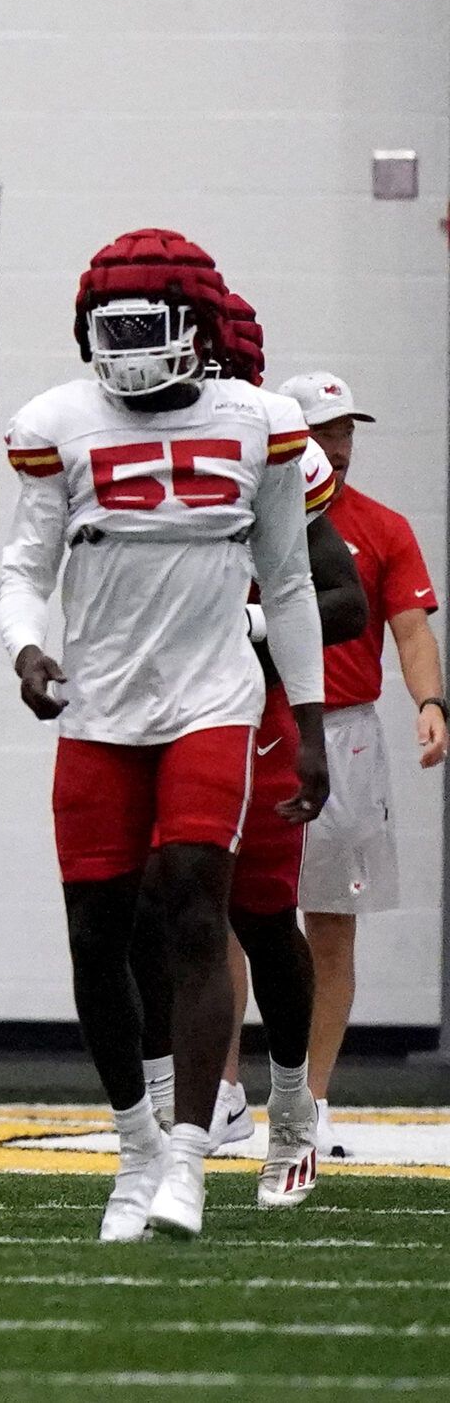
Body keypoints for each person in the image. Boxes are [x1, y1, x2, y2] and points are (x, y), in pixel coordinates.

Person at [0, 229, 327, 1242]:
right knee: (97, 934)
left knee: (192, 901)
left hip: (211, 700)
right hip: (99, 706)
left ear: (195, 326)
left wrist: (307, 721)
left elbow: (291, 577)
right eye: (115, 327)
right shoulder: (57, 421)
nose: (131, 346)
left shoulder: (260, 424)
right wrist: (24, 647)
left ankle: (188, 1154)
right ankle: (134, 1145)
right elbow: (23, 564)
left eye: (151, 324)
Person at [126, 291, 362, 1210]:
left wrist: (245, 621)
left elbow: (340, 601)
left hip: (247, 710)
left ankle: (294, 1106)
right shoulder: (114, 437)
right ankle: (165, 1119)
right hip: (148, 708)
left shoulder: (272, 450)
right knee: (148, 904)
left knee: (263, 916)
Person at [276, 369, 445, 1157]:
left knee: (332, 927)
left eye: (345, 431)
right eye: (323, 431)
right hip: (255, 727)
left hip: (344, 733)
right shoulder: (251, 516)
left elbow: (410, 628)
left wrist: (430, 703)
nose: (338, 447)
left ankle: (312, 1100)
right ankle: (225, 1097)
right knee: (227, 916)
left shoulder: (382, 525)